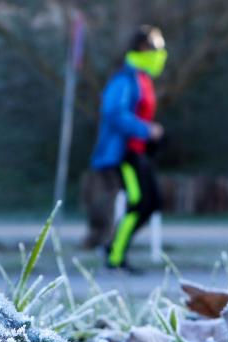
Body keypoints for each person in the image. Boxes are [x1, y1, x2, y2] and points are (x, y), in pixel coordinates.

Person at [86, 25, 167, 273]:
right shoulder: (124, 78)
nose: (161, 54)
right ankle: (115, 256)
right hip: (124, 155)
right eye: (157, 48)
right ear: (142, 47)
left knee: (152, 202)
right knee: (139, 202)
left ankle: (113, 249)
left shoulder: (143, 79)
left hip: (138, 153)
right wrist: (146, 130)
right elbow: (113, 113)